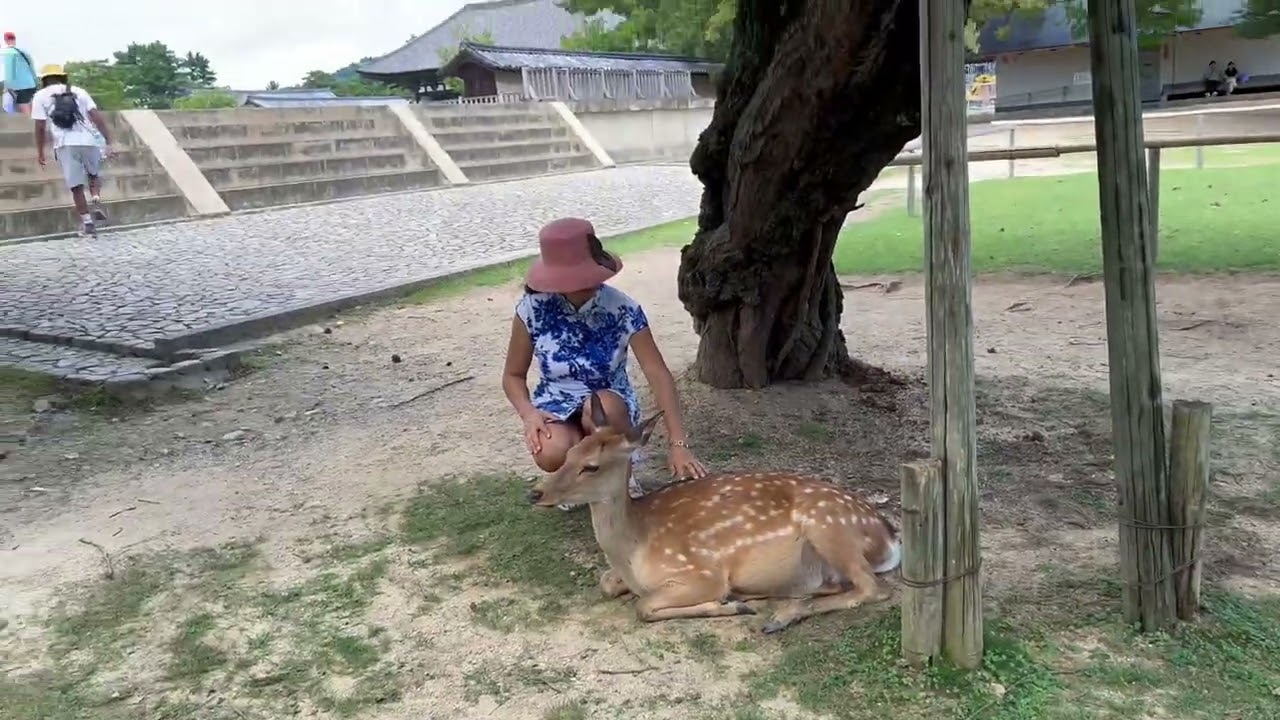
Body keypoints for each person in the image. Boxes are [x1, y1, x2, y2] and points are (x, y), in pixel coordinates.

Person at [502, 217, 708, 508]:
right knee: (549, 451)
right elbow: (512, 375)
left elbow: (657, 372)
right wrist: (529, 414)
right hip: (555, 404)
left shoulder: (623, 308)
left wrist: (678, 443)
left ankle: (620, 472)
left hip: (610, 403)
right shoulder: (531, 310)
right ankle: (579, 480)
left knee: (606, 406)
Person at [30, 63, 114, 238]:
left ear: (44, 79)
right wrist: (108, 140)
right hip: (89, 140)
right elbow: (96, 116)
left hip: (65, 143)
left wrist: (40, 152)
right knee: (93, 174)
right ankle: (96, 197)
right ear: (63, 77)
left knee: (76, 185)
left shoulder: (40, 96)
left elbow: (39, 126)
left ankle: (88, 224)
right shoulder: (79, 91)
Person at [1, 31, 38, 115]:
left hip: (18, 86)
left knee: (22, 108)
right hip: (30, 84)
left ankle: (28, 126)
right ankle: (31, 124)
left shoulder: (6, 53)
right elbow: (31, 66)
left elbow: (8, 72)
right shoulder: (23, 51)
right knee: (28, 107)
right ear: (14, 39)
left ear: (5, 40)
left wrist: (7, 87)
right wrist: (35, 81)